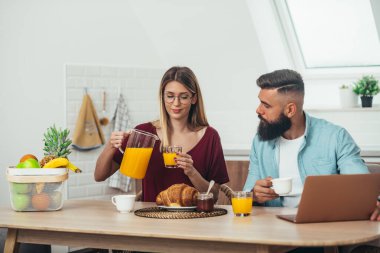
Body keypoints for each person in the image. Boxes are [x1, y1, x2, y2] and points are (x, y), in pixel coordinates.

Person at [243, 69, 379, 253]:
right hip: (271, 231)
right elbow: (246, 195)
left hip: (320, 232)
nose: (258, 110)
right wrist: (255, 195)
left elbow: (361, 186)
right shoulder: (260, 141)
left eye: (265, 105)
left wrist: (376, 201)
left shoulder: (334, 136)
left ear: (290, 109)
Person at [95, 66, 229, 202]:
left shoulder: (210, 137)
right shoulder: (144, 133)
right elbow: (99, 176)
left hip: (193, 220)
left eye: (183, 97)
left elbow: (214, 196)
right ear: (162, 96)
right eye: (170, 96)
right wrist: (111, 146)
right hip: (150, 219)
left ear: (193, 98)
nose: (176, 103)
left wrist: (192, 172)